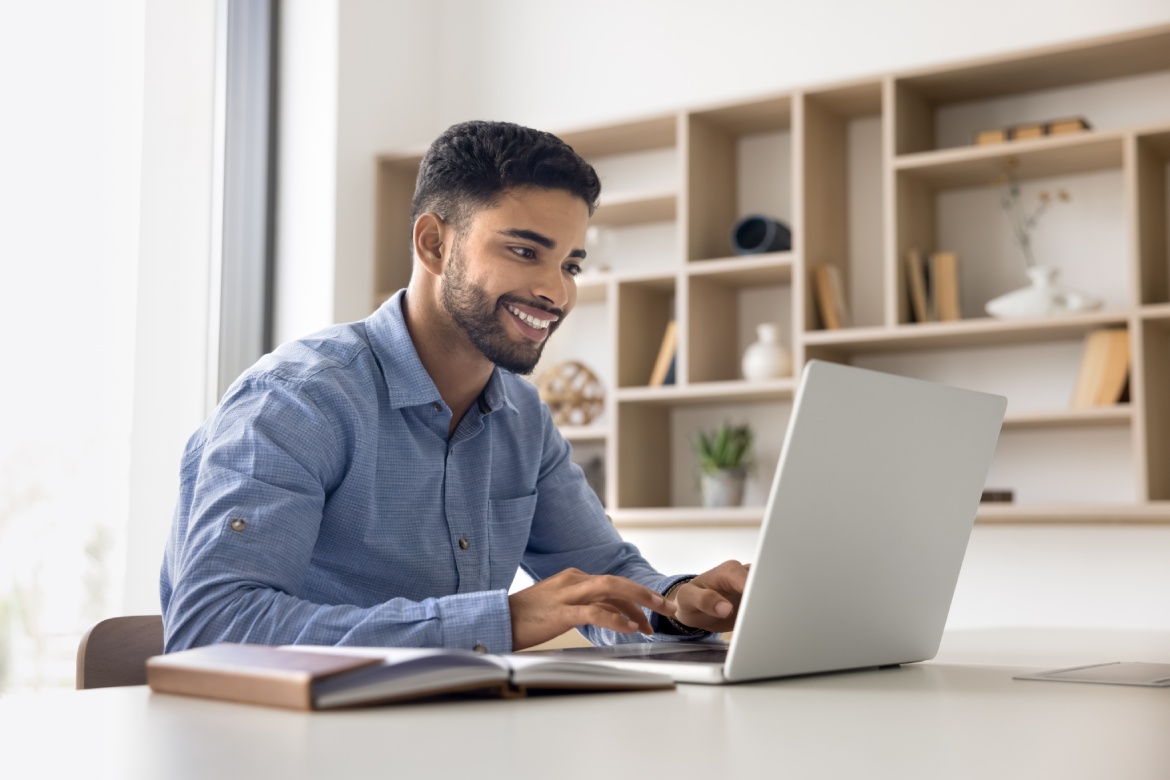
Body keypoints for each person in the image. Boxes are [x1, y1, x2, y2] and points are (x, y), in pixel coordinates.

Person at [160, 120, 749, 654]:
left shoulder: (521, 417)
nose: (557, 293)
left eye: (570, 265)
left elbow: (602, 572)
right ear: (434, 244)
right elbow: (213, 624)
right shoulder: (298, 400)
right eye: (525, 252)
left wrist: (683, 603)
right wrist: (500, 622)